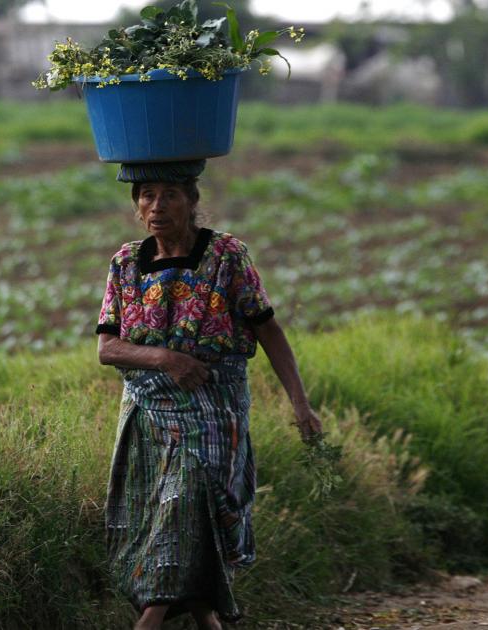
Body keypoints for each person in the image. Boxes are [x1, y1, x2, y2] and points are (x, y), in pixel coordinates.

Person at [95, 160, 322, 630]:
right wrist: (166, 359)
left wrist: (300, 403)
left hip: (214, 413)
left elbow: (268, 330)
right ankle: (202, 618)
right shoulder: (124, 264)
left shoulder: (226, 256)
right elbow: (108, 347)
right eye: (147, 195)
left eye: (171, 195)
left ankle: (152, 618)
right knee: (170, 516)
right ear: (136, 206)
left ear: (192, 202)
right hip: (149, 414)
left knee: (188, 503)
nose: (157, 206)